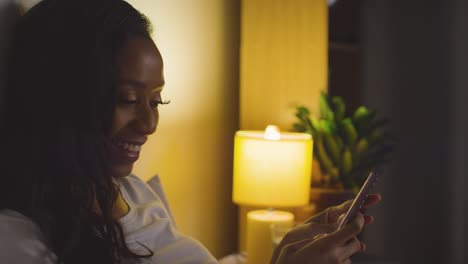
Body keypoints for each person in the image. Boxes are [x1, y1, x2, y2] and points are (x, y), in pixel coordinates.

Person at [0, 0, 381, 263]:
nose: (149, 125)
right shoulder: (17, 242)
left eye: (157, 101)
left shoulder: (133, 193)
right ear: (64, 97)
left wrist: (286, 255)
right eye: (129, 99)